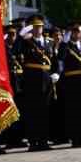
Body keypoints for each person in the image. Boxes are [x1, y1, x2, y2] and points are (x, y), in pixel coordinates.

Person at [15, 16, 54, 152]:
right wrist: (20, 35)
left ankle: (43, 141)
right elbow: (15, 50)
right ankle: (33, 142)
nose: (38, 30)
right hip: (32, 80)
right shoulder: (26, 42)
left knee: (45, 112)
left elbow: (53, 61)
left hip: (47, 81)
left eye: (40, 27)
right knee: (32, 113)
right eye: (35, 27)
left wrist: (56, 73)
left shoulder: (49, 42)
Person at [54, 23, 81, 148]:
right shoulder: (66, 46)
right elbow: (60, 57)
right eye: (74, 31)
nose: (77, 33)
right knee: (73, 112)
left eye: (78, 31)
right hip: (72, 83)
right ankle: (75, 138)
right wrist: (64, 43)